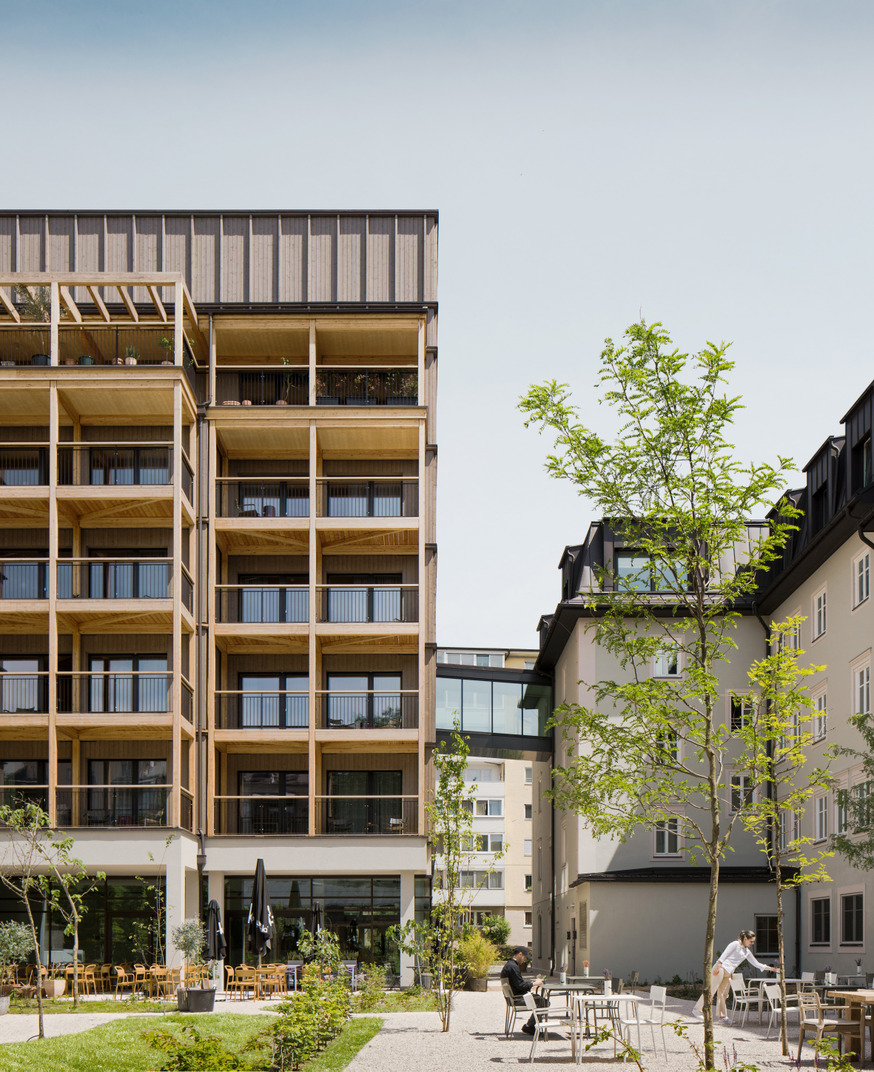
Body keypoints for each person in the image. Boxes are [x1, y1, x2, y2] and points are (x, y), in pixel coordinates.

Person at [692, 929, 777, 1023]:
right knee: (711, 990)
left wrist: (772, 969)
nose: (752, 943)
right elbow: (724, 954)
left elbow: (756, 964)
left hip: (729, 972)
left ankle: (723, 1017)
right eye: (751, 941)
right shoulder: (735, 944)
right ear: (745, 939)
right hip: (721, 968)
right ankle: (697, 1009)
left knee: (723, 994)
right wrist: (718, 965)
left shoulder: (746, 951)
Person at [501, 946, 547, 1035]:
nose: (524, 960)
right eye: (524, 957)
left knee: (541, 1000)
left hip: (512, 997)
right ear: (520, 954)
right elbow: (520, 985)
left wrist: (531, 982)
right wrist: (534, 983)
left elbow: (518, 983)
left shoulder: (509, 965)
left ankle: (529, 1026)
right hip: (517, 998)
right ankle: (529, 1027)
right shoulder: (513, 967)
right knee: (543, 1002)